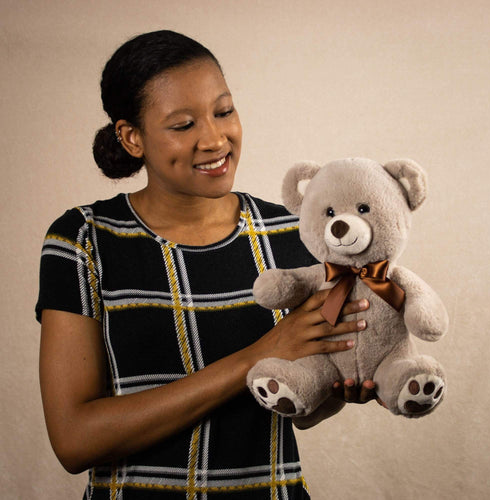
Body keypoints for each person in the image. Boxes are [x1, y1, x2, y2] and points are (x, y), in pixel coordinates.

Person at [37, 30, 377, 500]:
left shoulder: (297, 232)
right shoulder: (84, 239)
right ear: (132, 137)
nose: (215, 139)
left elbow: (298, 408)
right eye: (183, 125)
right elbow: (74, 440)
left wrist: (343, 384)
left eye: (224, 111)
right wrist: (258, 354)